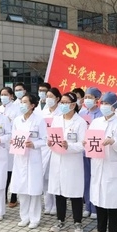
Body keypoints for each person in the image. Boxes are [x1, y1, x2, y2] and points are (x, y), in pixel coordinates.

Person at [87, 92, 117, 232]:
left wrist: (113, 141)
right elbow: (90, 140)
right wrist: (86, 143)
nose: (104, 106)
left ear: (114, 106)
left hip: (113, 167)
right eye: (102, 103)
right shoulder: (96, 122)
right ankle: (100, 229)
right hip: (98, 164)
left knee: (112, 201)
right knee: (99, 199)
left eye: (107, 103)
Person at [48, 92, 88, 232]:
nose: (63, 105)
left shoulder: (80, 122)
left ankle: (78, 222)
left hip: (72, 162)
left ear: (73, 105)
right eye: (62, 102)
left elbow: (83, 144)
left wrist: (68, 146)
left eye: (66, 103)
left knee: (75, 193)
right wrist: (49, 143)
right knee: (59, 192)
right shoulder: (57, 120)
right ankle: (60, 220)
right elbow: (51, 137)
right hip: (57, 160)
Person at [10, 94, 47, 228]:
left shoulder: (39, 120)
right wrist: (13, 141)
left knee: (34, 190)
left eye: (25, 102)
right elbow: (13, 136)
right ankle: (24, 217)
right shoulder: (17, 120)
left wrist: (34, 144)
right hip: (20, 158)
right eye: (21, 102)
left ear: (32, 105)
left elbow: (45, 139)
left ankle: (35, 218)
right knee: (22, 189)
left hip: (33, 158)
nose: (22, 104)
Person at [80, 87, 103, 219]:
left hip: (96, 151)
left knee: (95, 178)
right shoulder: (82, 113)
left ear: (97, 99)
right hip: (84, 151)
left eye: (90, 97)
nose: (87, 100)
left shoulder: (101, 114)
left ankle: (95, 207)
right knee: (86, 179)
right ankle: (87, 205)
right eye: (86, 97)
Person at [41, 87, 63, 216]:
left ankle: (55, 205)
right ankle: (47, 204)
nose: (48, 99)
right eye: (47, 96)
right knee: (45, 178)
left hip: (56, 147)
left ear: (57, 99)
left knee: (54, 177)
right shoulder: (43, 112)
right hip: (44, 148)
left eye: (51, 96)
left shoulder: (60, 113)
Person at [0, 86, 20, 208]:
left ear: (11, 96)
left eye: (6, 94)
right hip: (1, 144)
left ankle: (14, 196)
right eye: (2, 94)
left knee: (13, 170)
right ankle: (3, 195)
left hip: (13, 143)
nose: (3, 97)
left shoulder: (17, 109)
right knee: (4, 170)